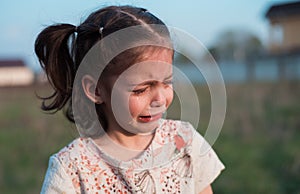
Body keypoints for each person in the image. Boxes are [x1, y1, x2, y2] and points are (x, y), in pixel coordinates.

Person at [35, 5, 224, 194]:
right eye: (141, 90)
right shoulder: (72, 168)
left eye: (167, 82)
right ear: (96, 90)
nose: (159, 99)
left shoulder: (185, 142)